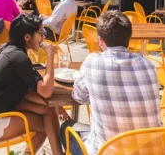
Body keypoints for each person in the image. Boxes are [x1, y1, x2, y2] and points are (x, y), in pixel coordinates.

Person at [60, 10, 162, 155]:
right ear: (129, 38)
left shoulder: (92, 62)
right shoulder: (148, 64)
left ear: (100, 40)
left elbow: (78, 97)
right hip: (151, 150)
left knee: (66, 127)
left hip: (108, 150)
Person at [0, 14, 63, 155]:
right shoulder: (18, 58)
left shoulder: (6, 50)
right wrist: (50, 56)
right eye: (40, 33)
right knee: (46, 124)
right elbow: (46, 91)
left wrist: (56, 104)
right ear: (27, 37)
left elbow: (26, 91)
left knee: (49, 111)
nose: (43, 37)